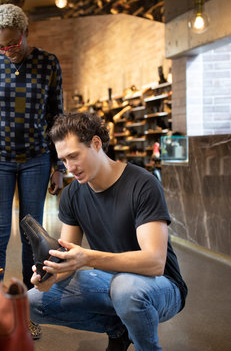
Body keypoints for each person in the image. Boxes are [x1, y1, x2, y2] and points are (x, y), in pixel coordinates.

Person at [27, 112, 187, 351]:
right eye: (63, 161)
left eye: (74, 156)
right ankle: (118, 329)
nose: (70, 167)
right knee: (31, 303)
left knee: (125, 288)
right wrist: (50, 275)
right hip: (112, 281)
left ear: (96, 143)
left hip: (162, 286)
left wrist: (88, 257)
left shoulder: (142, 184)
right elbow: (67, 256)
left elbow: (155, 262)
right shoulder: (72, 194)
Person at [0, 3, 65, 291]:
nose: (8, 50)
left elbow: (56, 117)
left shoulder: (48, 63)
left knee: (31, 235)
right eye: (0, 46)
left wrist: (58, 166)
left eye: (13, 43)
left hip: (36, 160)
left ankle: (30, 304)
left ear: (25, 32)